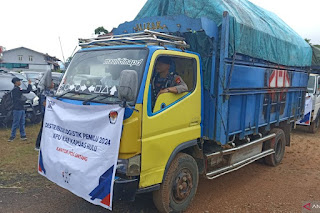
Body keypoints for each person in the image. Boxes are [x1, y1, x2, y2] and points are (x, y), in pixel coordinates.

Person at [8, 77, 32, 142]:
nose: (20, 82)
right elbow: (16, 99)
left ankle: (23, 135)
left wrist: (29, 84)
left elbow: (27, 91)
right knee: (16, 122)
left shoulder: (18, 89)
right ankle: (12, 136)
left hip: (21, 108)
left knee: (22, 122)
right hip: (17, 108)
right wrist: (23, 100)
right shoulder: (15, 90)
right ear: (16, 82)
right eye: (19, 81)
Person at [35, 71, 54, 150]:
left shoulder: (51, 92)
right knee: (43, 129)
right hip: (46, 114)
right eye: (52, 83)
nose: (53, 84)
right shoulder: (45, 93)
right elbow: (45, 104)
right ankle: (38, 145)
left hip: (51, 115)